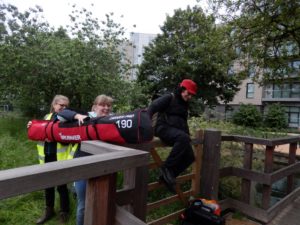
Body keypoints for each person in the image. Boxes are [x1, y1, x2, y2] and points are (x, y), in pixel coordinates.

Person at [57, 94, 113, 225]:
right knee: (83, 204)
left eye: (108, 105)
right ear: (94, 107)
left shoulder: (112, 119)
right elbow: (62, 114)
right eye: (102, 104)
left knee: (102, 202)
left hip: (104, 166)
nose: (105, 108)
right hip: (83, 165)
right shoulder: (87, 115)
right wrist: (77, 116)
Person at [27, 95, 73, 224]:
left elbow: (70, 138)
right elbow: (38, 133)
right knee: (48, 185)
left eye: (66, 106)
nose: (64, 108)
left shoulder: (69, 119)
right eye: (61, 105)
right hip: (46, 156)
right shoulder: (47, 117)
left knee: (62, 186)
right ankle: (49, 210)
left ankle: (64, 212)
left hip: (60, 158)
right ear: (54, 105)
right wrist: (31, 126)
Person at [147, 79, 198, 193]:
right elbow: (151, 108)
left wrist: (187, 134)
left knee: (190, 157)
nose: (189, 97)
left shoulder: (185, 104)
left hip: (176, 132)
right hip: (162, 128)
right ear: (182, 89)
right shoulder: (169, 97)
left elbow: (183, 121)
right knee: (183, 137)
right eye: (188, 93)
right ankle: (166, 169)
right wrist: (147, 128)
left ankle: (166, 177)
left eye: (192, 95)